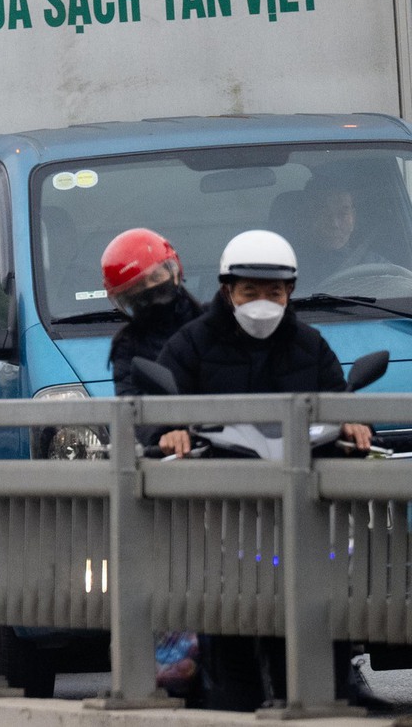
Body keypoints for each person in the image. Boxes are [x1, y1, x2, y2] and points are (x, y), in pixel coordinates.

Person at [155, 229, 373, 711]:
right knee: (228, 621)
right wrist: (171, 430)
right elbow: (152, 408)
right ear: (227, 290)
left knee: (324, 605)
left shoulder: (311, 345)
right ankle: (231, 705)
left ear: (290, 291)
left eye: (273, 292)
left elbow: (339, 399)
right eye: (250, 291)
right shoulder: (189, 344)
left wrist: (354, 422)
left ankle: (332, 694)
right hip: (222, 519)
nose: (262, 302)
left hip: (304, 521)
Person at [101, 228, 203, 396]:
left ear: (174, 273)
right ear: (126, 297)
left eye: (156, 278)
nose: (150, 289)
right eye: (139, 287)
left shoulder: (211, 324)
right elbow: (130, 406)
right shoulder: (128, 345)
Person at [292, 181, 386, 281]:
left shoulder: (375, 265)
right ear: (308, 217)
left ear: (353, 218)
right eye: (325, 214)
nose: (334, 224)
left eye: (343, 214)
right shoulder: (288, 267)